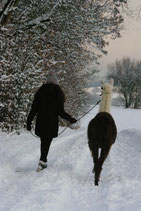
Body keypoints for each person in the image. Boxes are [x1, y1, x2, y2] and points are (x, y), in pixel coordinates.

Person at [26, 70, 77, 172]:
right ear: (56, 82)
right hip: (52, 124)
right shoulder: (58, 93)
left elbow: (33, 109)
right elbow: (61, 112)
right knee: (47, 141)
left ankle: (43, 160)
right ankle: (43, 160)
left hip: (41, 122)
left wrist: (29, 122)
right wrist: (70, 119)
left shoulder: (40, 92)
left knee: (43, 141)